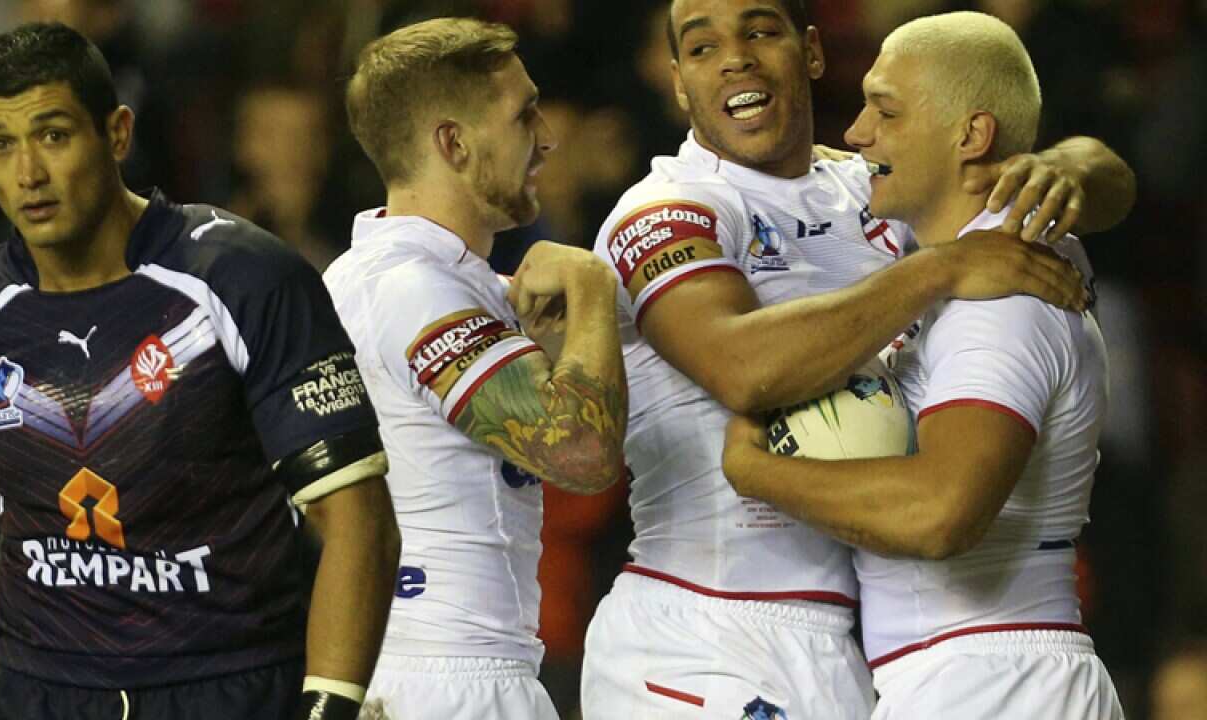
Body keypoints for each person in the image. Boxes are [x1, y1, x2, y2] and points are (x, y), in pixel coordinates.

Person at [580, 0, 1136, 717]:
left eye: (760, 31)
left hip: (850, 646)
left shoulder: (873, 188)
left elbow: (1103, 182)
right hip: (706, 628)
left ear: (811, 52)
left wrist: (1066, 166)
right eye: (701, 47)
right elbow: (740, 369)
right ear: (680, 83)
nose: (735, 57)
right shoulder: (669, 209)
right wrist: (937, 271)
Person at [0, 23, 398, 720]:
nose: (28, 174)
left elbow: (357, 521)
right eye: (0, 145)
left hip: (236, 686)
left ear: (116, 134)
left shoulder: (245, 281)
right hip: (43, 694)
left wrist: (329, 706)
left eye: (53, 135)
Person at [324, 18, 628, 720]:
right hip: (447, 678)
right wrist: (588, 284)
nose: (547, 137)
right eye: (523, 114)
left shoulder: (429, 280)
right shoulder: (407, 288)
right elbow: (578, 452)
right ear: (453, 143)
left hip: (446, 669)